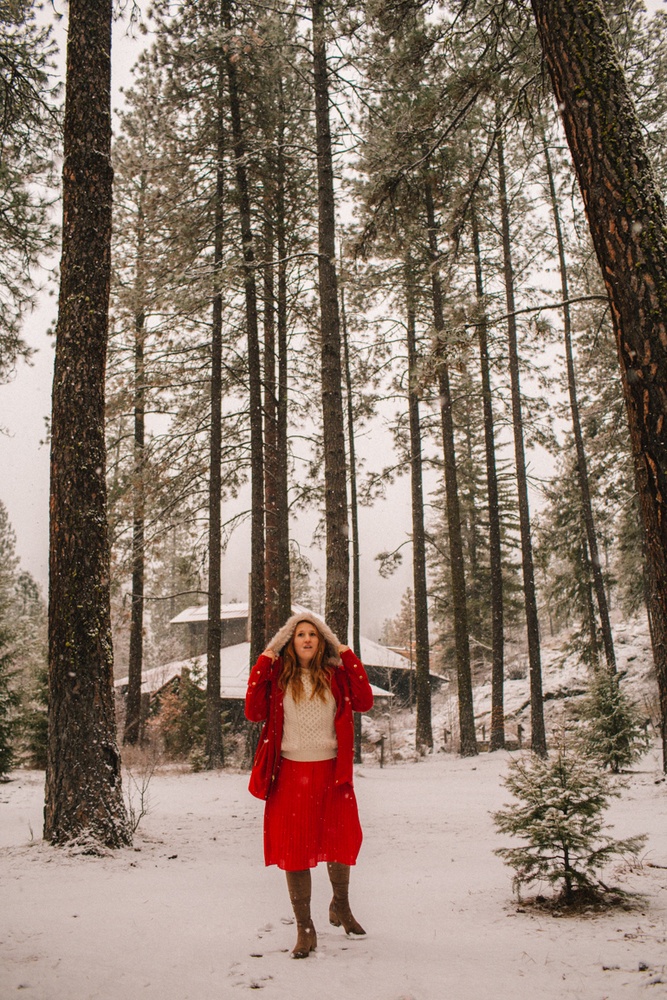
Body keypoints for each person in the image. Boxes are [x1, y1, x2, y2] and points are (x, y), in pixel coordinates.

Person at [245, 612, 374, 958]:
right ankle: (305, 928)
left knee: (340, 841)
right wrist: (265, 659)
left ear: (321, 642)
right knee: (294, 849)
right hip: (289, 774)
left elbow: (365, 701)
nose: (306, 639)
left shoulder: (336, 676)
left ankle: (341, 905)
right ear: (290, 641)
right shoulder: (277, 678)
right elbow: (253, 711)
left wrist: (346, 654)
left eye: (313, 634)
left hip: (332, 773)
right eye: (300, 634)